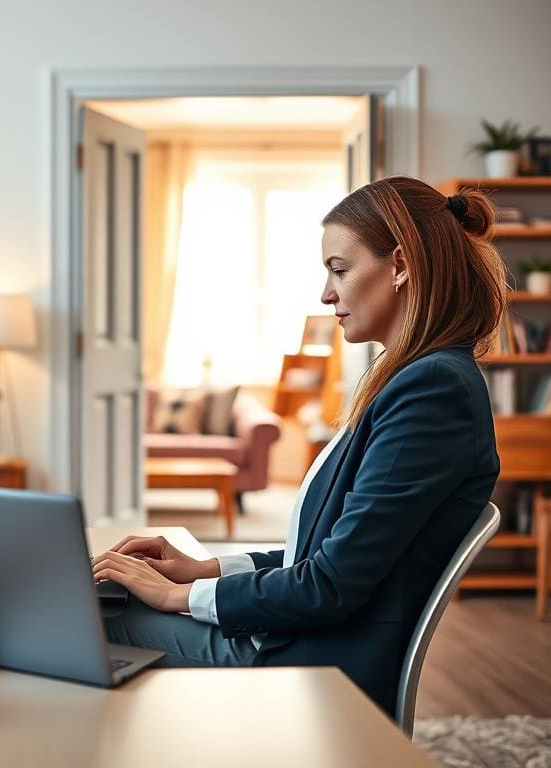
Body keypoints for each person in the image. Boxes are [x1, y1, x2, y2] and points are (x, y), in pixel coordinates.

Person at [92, 176, 506, 715]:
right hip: (300, 638)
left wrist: (177, 596)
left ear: (401, 265)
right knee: (94, 606)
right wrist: (202, 571)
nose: (326, 293)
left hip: (312, 663)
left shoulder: (432, 390)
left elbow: (329, 586)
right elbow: (323, 556)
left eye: (340, 269)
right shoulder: (413, 378)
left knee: (89, 618)